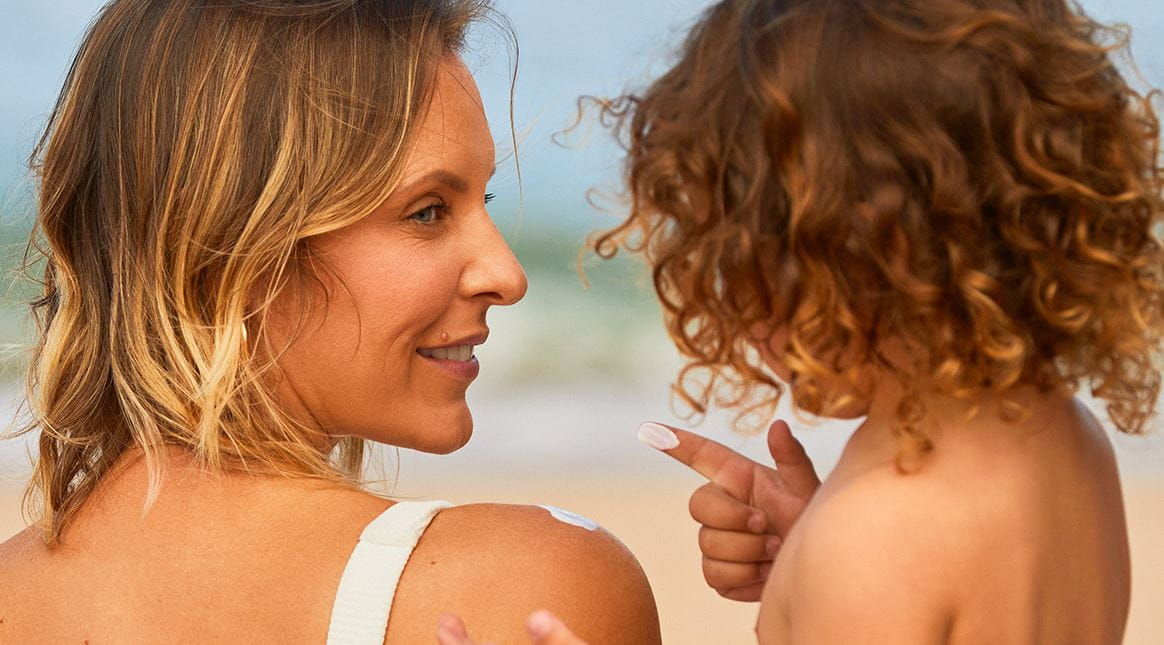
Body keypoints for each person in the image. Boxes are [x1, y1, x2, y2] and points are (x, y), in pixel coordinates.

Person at [448, 0, 1162, 642]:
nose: (731, 301)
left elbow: (894, 570)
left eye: (744, 258)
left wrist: (832, 565)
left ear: (877, 254)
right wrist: (812, 552)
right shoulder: (1068, 435)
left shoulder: (871, 544)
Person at [0, 1, 661, 643]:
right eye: (427, 211)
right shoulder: (527, 585)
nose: (506, 274)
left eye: (481, 200)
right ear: (231, 248)